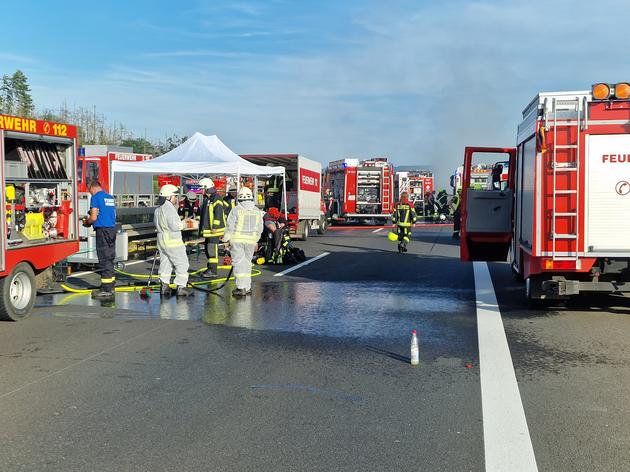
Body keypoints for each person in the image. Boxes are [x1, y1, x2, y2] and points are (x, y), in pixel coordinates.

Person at [223, 187, 264, 297]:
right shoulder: (257, 211)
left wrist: (225, 239)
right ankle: (247, 287)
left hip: (238, 241)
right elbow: (260, 228)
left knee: (239, 264)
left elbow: (230, 226)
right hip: (251, 242)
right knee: (247, 264)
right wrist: (256, 240)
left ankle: (241, 288)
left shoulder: (236, 210)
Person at [154, 184, 193, 297]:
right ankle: (181, 287)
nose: (176, 198)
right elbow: (175, 226)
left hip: (162, 241)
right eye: (175, 196)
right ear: (169, 197)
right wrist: (187, 224)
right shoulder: (169, 208)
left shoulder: (158, 209)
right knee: (182, 264)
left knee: (166, 263)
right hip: (173, 241)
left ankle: (164, 286)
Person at [82, 180, 117, 299]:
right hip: (112, 229)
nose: (90, 193)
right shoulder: (110, 197)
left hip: (102, 230)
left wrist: (87, 223)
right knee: (110, 258)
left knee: (104, 259)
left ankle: (106, 289)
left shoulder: (95, 197)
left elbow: (93, 217)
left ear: (92, 188)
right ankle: (111, 286)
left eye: (89, 191)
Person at [198, 177, 227, 279]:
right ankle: (210, 268)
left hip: (214, 230)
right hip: (209, 230)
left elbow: (218, 214)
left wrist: (215, 226)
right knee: (207, 248)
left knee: (211, 249)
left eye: (202, 189)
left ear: (207, 188)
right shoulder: (208, 199)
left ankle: (213, 271)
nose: (201, 191)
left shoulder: (216, 199)